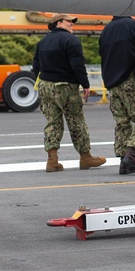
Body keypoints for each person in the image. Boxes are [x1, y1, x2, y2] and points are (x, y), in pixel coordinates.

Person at [32, 14, 106, 172]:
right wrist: (86, 84)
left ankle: (52, 161)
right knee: (76, 121)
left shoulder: (42, 42)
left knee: (52, 122)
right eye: (69, 22)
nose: (72, 24)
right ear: (59, 23)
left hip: (45, 85)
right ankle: (85, 157)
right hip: (65, 86)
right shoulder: (71, 41)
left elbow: (36, 66)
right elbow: (77, 64)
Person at [99, 16, 135, 175]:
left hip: (112, 83)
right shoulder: (134, 25)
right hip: (132, 78)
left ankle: (123, 161)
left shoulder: (106, 30)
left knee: (122, 121)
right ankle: (132, 155)